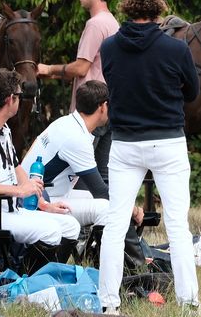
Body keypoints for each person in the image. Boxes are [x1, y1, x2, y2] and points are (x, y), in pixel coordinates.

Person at [97, 0, 201, 316]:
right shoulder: (176, 49)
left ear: (127, 4)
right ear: (160, 5)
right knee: (177, 225)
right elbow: (193, 93)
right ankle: (189, 303)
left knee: (115, 225)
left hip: (125, 144)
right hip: (168, 141)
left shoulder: (109, 47)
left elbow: (115, 84)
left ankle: (108, 305)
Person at [0, 68, 81, 272]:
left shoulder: (3, 129)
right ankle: (25, 283)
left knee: (70, 226)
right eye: (19, 96)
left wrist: (41, 203)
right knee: (50, 231)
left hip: (5, 211)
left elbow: (16, 167)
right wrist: (19, 191)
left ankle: (36, 276)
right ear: (10, 99)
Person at [20, 80, 146, 265]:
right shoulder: (76, 138)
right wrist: (132, 209)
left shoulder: (66, 123)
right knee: (107, 207)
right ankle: (128, 266)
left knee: (98, 200)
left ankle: (99, 258)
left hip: (38, 194)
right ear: (103, 106)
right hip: (37, 201)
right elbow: (100, 191)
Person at [37, 0, 119, 182]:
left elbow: (82, 68)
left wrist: (49, 69)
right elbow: (97, 68)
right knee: (103, 173)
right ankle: (107, 215)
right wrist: (60, 75)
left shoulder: (95, 24)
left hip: (90, 110)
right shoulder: (112, 22)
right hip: (107, 107)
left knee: (81, 176)